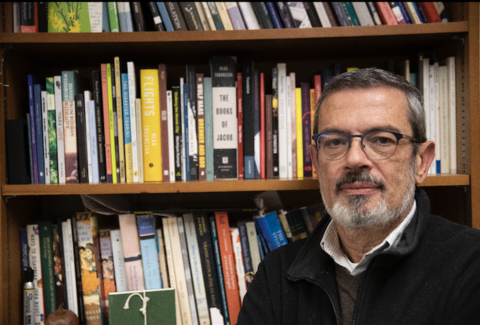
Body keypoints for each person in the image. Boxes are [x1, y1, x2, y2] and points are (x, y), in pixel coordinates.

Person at [237, 68, 480, 324]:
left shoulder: (472, 264)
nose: (354, 159)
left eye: (382, 140)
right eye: (335, 142)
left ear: (421, 162)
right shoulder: (276, 274)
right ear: (316, 163)